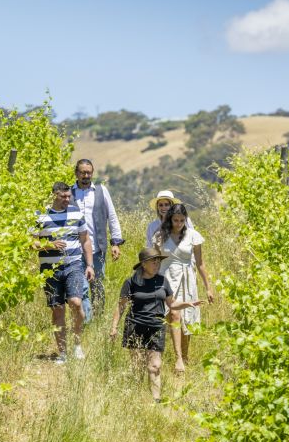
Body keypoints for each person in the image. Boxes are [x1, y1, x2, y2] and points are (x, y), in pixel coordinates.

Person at [109, 247, 202, 402]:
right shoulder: (131, 282)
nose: (157, 264)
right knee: (137, 366)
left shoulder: (162, 281)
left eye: (159, 261)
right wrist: (114, 327)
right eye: (154, 261)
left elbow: (172, 304)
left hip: (156, 327)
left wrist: (188, 303)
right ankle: (135, 399)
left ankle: (156, 400)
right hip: (135, 325)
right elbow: (120, 306)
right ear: (144, 264)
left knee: (155, 366)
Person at [31, 181, 94, 363]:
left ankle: (77, 344)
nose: (67, 199)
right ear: (54, 195)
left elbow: (85, 240)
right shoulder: (40, 215)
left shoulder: (76, 213)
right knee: (57, 310)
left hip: (73, 265)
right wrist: (49, 245)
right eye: (63, 196)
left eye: (69, 196)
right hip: (49, 270)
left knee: (75, 302)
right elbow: (30, 242)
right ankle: (63, 353)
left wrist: (89, 265)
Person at [154, 203, 215, 374]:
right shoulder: (160, 236)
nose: (179, 223)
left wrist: (208, 288)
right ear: (170, 219)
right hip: (166, 278)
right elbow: (155, 261)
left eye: (182, 220)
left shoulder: (193, 236)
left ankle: (185, 356)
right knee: (173, 315)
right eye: (175, 220)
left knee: (186, 318)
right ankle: (178, 358)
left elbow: (201, 263)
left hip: (187, 279)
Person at [72, 159, 125, 320]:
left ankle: (99, 318)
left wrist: (115, 242)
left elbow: (112, 216)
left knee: (97, 286)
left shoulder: (101, 190)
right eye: (82, 172)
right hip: (75, 250)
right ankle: (86, 321)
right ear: (76, 173)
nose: (86, 175)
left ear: (92, 173)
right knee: (81, 288)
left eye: (89, 172)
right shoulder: (69, 192)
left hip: (97, 248)